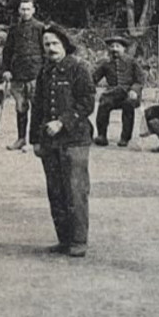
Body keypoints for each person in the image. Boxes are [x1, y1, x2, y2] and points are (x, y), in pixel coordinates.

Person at [30, 24, 95, 257]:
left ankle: (78, 241)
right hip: (49, 143)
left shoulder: (78, 68)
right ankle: (64, 239)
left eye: (55, 43)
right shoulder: (44, 72)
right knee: (55, 192)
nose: (50, 48)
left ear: (65, 45)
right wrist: (34, 140)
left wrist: (63, 122)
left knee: (75, 191)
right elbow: (37, 107)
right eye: (46, 44)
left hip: (74, 140)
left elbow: (87, 102)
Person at [1, 0, 48, 151]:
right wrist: (6, 69)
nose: (25, 12)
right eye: (22, 9)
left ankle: (36, 141)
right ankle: (21, 139)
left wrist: (45, 71)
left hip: (36, 74)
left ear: (33, 10)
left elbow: (46, 51)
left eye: (28, 9)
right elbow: (7, 51)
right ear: (18, 10)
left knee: (37, 107)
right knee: (20, 107)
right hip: (18, 74)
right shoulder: (14, 29)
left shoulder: (40, 28)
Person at [91, 34, 145, 146]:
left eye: (117, 46)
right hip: (112, 94)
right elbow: (94, 78)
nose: (114, 49)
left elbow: (140, 80)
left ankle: (125, 138)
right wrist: (87, 87)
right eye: (112, 46)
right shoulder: (105, 64)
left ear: (123, 48)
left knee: (128, 105)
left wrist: (134, 90)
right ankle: (102, 135)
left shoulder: (132, 62)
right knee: (104, 103)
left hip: (129, 94)